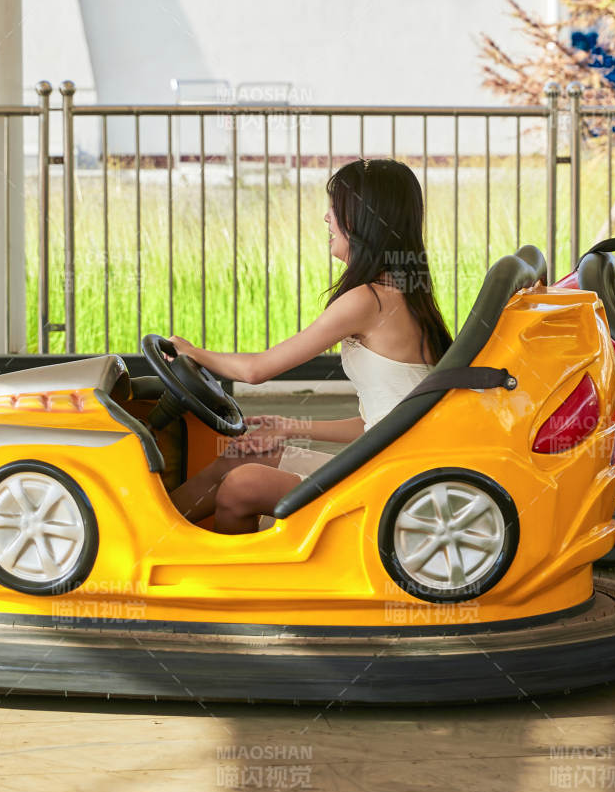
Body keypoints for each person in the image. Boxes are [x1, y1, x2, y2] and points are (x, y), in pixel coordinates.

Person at [166, 158, 451, 533]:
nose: (326, 218)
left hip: (392, 481)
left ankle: (206, 564)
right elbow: (378, 423)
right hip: (391, 465)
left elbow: (256, 371)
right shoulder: (403, 295)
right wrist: (288, 426)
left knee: (243, 484)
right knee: (236, 459)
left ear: (364, 219)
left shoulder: (369, 300)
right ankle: (147, 536)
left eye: (336, 208)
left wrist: (190, 352)